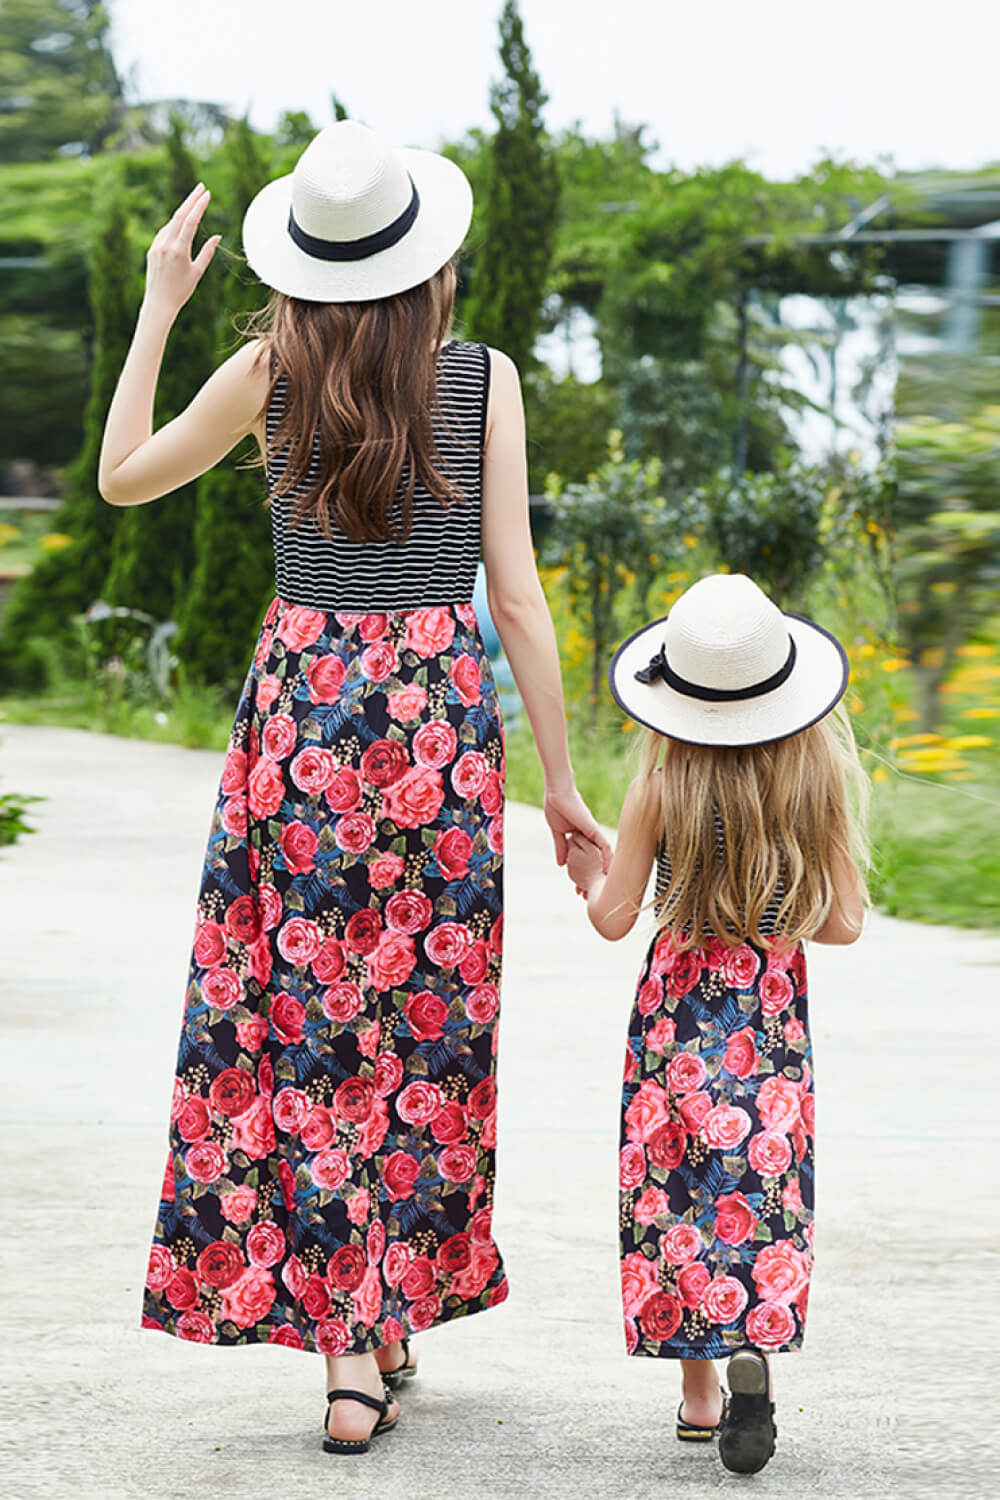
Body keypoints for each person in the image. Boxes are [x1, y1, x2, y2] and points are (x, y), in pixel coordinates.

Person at [98, 120, 609, 1455]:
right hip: (436, 728)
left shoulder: (267, 369)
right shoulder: (480, 377)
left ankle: (352, 1347)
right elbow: (517, 590)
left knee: (316, 1024)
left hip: (306, 722)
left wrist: (159, 310)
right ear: (423, 256)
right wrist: (560, 782)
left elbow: (119, 476)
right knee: (419, 1026)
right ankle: (374, 1332)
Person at [564, 572, 868, 1475]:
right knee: (757, 1188)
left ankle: (700, 1397)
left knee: (676, 1198)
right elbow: (845, 923)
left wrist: (595, 874)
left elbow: (615, 918)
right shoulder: (814, 782)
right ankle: (753, 1355)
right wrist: (777, 903)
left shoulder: (661, 787)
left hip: (674, 1023)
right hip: (769, 1020)